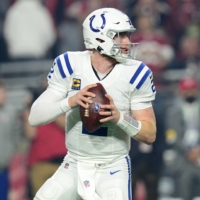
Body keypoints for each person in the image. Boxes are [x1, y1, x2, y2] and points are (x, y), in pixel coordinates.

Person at [29, 8, 157, 200]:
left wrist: (119, 118)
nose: (127, 42)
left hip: (112, 166)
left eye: (127, 36)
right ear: (98, 38)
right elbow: (35, 117)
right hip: (74, 162)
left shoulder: (136, 73)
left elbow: (149, 134)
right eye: (120, 36)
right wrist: (70, 101)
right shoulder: (70, 64)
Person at [23, 83, 67, 198]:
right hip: (40, 164)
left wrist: (51, 108)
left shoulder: (63, 106)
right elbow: (30, 134)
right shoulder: (34, 112)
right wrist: (29, 108)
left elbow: (66, 126)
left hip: (62, 165)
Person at [165, 77, 200, 200]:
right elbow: (171, 135)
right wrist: (188, 152)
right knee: (184, 195)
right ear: (181, 91)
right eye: (186, 89)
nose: (189, 92)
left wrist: (198, 151)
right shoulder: (172, 111)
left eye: (192, 89)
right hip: (182, 159)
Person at [0, 82, 21, 200]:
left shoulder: (10, 112)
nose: (3, 95)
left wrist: (12, 152)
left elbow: (16, 134)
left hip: (4, 165)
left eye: (4, 92)